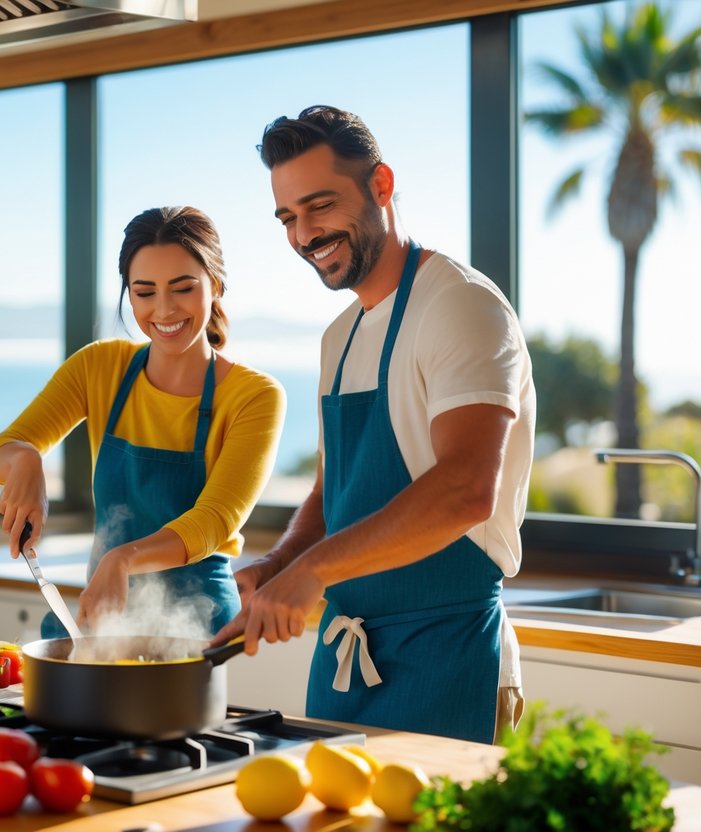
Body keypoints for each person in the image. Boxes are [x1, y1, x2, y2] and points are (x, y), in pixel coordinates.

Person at [212, 106, 535, 745]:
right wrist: (277, 567)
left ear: (381, 186)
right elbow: (334, 495)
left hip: (449, 657)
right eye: (287, 218)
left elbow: (466, 488)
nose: (305, 234)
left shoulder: (461, 306)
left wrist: (316, 573)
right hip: (347, 664)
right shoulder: (340, 336)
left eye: (320, 205)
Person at [0, 206, 286, 640]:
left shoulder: (254, 396)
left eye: (183, 288)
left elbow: (214, 521)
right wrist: (26, 461)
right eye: (144, 292)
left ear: (216, 285)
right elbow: (3, 449)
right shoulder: (99, 367)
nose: (163, 310)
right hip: (105, 618)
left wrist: (121, 559)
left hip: (198, 626)